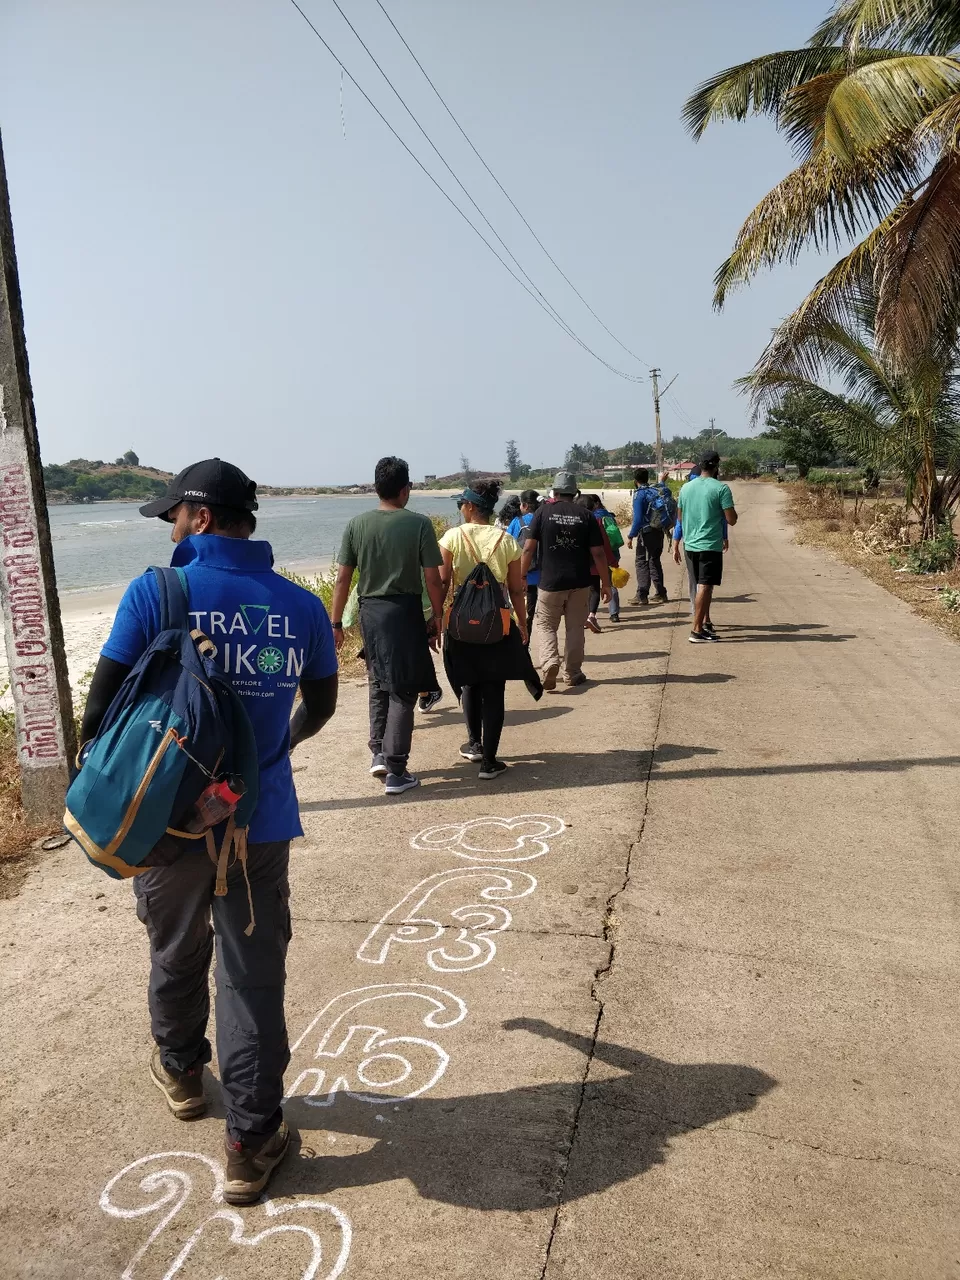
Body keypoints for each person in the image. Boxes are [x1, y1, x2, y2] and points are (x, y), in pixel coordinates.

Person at [78, 458, 339, 1206]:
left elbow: (100, 714)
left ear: (198, 517)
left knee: (173, 944)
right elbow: (319, 705)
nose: (170, 528)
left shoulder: (157, 592)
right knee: (252, 977)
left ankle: (184, 1073)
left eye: (174, 517)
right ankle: (251, 1146)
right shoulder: (299, 606)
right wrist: (271, 752)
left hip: (167, 820)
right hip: (257, 818)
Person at [331, 457, 445, 795]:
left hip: (370, 612)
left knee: (379, 681)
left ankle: (378, 752)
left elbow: (342, 579)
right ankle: (396, 770)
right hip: (404, 610)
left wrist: (335, 622)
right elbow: (433, 579)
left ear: (377, 487)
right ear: (405, 489)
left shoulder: (356, 525)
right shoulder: (419, 525)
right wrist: (438, 616)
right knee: (405, 687)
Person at [439, 481, 541, 778]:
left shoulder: (451, 537)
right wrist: (522, 623)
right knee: (494, 687)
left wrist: (437, 616)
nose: (460, 509)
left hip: (461, 619)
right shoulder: (505, 540)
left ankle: (474, 744)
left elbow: (442, 582)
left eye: (462, 504)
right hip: (498, 619)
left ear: (470, 507)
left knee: (469, 681)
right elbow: (516, 588)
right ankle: (490, 762)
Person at [520, 471, 611, 690]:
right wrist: (606, 583)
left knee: (546, 625)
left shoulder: (542, 512)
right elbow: (598, 553)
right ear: (575, 492)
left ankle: (550, 662)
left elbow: (529, 547)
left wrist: (521, 575)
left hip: (550, 582)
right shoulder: (586, 515)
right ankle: (573, 673)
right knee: (575, 628)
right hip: (580, 582)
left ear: (555, 491)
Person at [675, 450, 738, 643]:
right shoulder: (721, 489)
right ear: (716, 466)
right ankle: (696, 630)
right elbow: (731, 519)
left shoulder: (686, 488)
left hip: (690, 545)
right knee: (705, 585)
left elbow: (679, 516)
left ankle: (701, 626)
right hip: (709, 544)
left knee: (703, 586)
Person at [626, 468, 670, 605]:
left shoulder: (639, 495)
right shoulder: (655, 490)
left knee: (641, 561)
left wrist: (631, 535)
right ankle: (661, 593)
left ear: (635, 480)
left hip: (646, 533)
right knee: (654, 561)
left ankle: (642, 594)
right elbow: (662, 488)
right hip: (659, 530)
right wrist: (662, 481)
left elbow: (638, 519)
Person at [579, 494, 621, 628]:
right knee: (595, 588)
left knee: (580, 591)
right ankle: (591, 615)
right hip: (595, 563)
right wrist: (612, 562)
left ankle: (582, 617)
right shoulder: (596, 520)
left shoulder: (571, 520)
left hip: (577, 564)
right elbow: (604, 545)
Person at [507, 489, 542, 630]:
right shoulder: (542, 519)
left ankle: (519, 647)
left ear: (525, 505)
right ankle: (525, 646)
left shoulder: (517, 522)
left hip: (520, 577)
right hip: (540, 577)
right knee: (530, 616)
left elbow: (508, 546)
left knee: (517, 615)